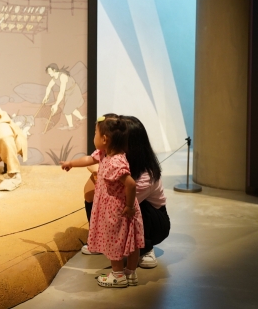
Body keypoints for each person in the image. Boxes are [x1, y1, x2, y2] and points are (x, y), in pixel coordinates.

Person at [62, 115, 144, 288]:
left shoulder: (115, 162)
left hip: (117, 210)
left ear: (104, 139)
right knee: (131, 240)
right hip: (121, 208)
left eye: (95, 134)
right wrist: (71, 163)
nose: (94, 137)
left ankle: (117, 275)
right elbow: (89, 159)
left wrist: (129, 206)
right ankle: (130, 272)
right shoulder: (105, 154)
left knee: (114, 240)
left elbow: (130, 184)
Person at [82, 115, 169, 269]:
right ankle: (101, 243)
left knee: (127, 207)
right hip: (124, 209)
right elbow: (89, 195)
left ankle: (145, 248)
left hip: (153, 221)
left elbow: (119, 208)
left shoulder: (144, 176)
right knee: (101, 203)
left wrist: (99, 172)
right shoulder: (113, 159)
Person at [42, 63, 85, 130]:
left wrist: (56, 105)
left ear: (54, 70)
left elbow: (61, 92)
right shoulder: (54, 78)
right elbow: (49, 87)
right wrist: (46, 96)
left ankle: (71, 126)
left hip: (74, 92)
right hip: (68, 93)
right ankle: (82, 118)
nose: (48, 73)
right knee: (71, 108)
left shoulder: (62, 77)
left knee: (67, 110)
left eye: (49, 71)